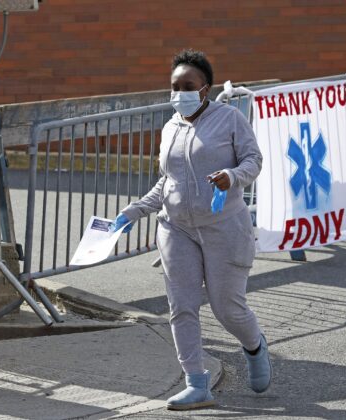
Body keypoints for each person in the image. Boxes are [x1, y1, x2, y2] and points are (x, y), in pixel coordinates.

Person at [112, 49, 271, 410]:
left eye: (188, 86)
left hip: (223, 228)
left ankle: (254, 345)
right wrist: (133, 212)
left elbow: (253, 160)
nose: (180, 92)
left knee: (226, 308)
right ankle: (196, 384)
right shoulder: (170, 126)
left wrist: (231, 176)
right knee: (182, 307)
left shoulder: (229, 119)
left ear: (205, 89)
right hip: (175, 228)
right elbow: (168, 181)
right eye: (175, 86)